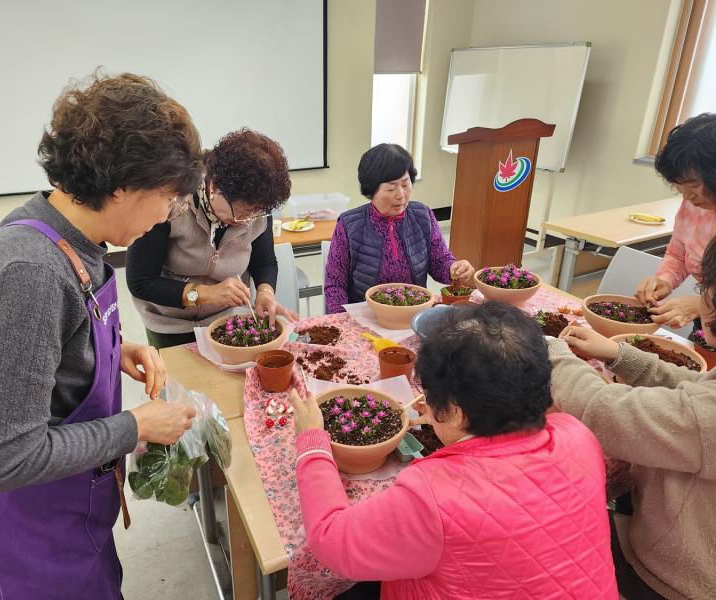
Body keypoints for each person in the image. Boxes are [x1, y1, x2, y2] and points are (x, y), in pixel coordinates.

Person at [0, 73, 201, 599]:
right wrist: (134, 425)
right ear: (121, 185)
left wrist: (109, 352)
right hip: (11, 509)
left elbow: (48, 342)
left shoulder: (72, 236)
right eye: (168, 198)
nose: (168, 215)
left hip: (60, 493)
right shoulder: (27, 275)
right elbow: (3, 457)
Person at [292, 301, 617, 598]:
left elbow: (331, 540)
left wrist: (312, 444)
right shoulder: (578, 437)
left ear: (458, 412)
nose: (427, 406)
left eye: (432, 398)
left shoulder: (433, 495)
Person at [552, 237, 716, 599]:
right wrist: (618, 354)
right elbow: (696, 387)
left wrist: (553, 354)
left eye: (703, 286)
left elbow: (602, 411)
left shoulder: (705, 418)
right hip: (663, 535)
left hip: (669, 578)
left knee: (550, 529)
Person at [126, 128, 296, 350]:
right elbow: (141, 282)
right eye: (242, 212)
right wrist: (207, 294)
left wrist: (265, 292)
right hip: (170, 323)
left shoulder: (255, 208)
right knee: (180, 383)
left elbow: (264, 261)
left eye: (257, 212)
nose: (247, 220)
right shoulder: (171, 201)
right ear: (214, 186)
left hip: (226, 319)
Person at [323, 144, 475, 314]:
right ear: (372, 190)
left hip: (413, 311)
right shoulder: (348, 225)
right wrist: (343, 323)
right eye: (391, 188)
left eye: (405, 184)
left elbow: (439, 262)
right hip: (366, 316)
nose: (401, 195)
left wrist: (454, 269)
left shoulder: (423, 215)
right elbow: (335, 285)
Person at [635, 112, 716, 329]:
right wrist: (665, 280)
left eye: (693, 184)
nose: (687, 197)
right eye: (679, 187)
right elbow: (679, 254)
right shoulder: (694, 206)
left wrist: (701, 305)